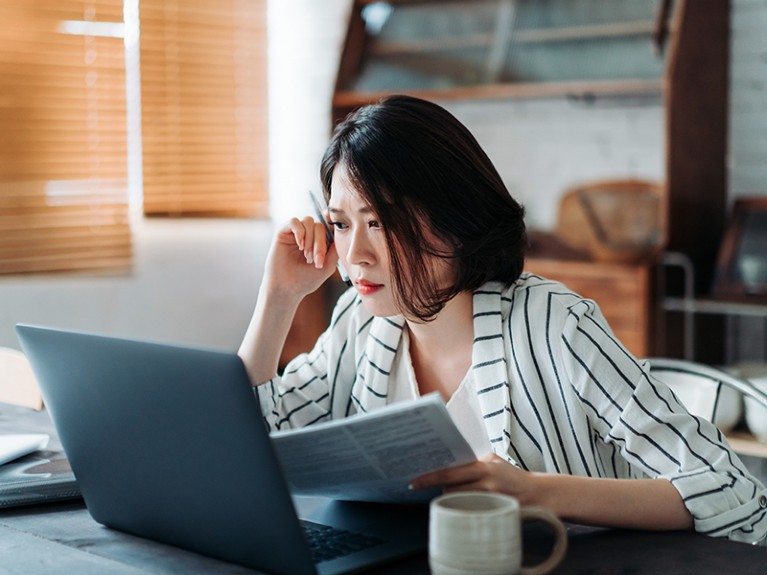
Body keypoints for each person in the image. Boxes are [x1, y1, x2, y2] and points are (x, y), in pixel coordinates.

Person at [239, 94, 767, 544]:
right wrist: (278, 297)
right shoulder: (360, 321)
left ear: (454, 220)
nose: (354, 254)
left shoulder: (555, 326)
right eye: (340, 223)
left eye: (379, 222)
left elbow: (730, 489)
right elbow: (248, 441)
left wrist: (536, 492)